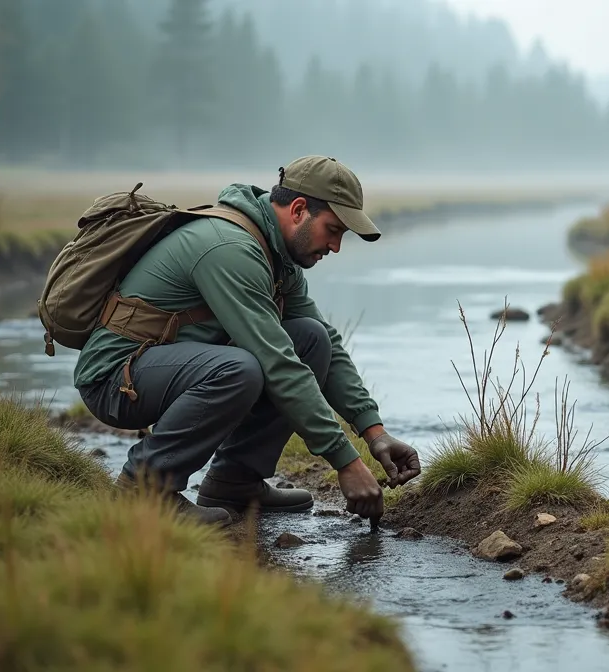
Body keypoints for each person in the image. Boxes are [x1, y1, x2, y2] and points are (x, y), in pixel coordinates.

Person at [72, 155, 421, 527]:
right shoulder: (230, 250)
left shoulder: (276, 255)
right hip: (115, 377)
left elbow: (327, 347)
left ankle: (235, 481)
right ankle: (144, 489)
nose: (335, 246)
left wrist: (374, 432)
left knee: (311, 339)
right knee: (242, 369)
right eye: (333, 229)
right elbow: (277, 363)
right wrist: (346, 462)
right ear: (299, 210)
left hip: (166, 366)